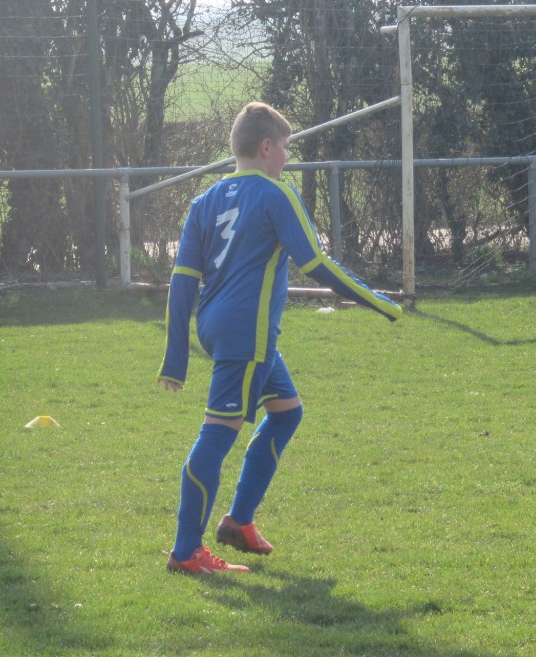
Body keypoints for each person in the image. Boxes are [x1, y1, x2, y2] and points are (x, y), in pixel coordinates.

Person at [157, 102, 403, 575]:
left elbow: (182, 281)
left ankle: (239, 522)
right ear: (267, 146)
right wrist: (377, 300)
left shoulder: (204, 201)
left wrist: (176, 357)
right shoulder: (275, 194)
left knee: (287, 413)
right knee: (217, 434)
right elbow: (316, 264)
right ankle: (186, 552)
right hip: (246, 334)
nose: (288, 157)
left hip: (218, 327)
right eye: (286, 147)